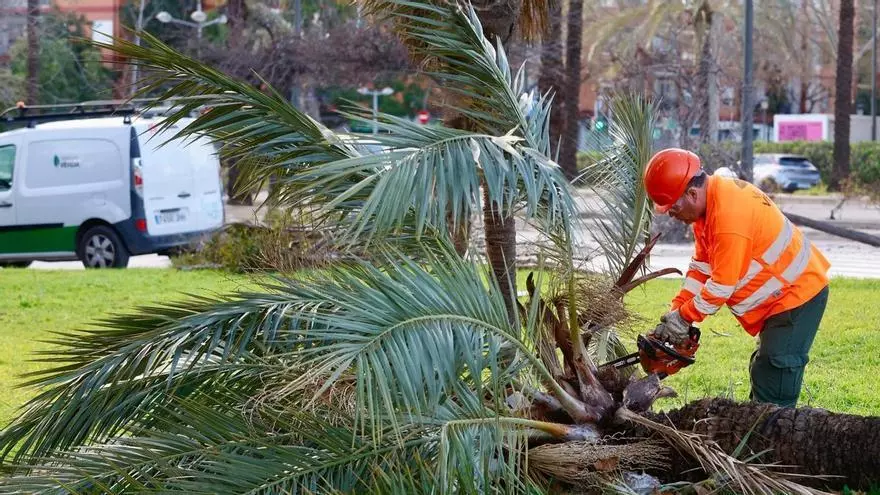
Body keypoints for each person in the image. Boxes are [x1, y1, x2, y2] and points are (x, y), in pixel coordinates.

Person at [644, 148, 831, 408]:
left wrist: (685, 318)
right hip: (781, 296)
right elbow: (701, 268)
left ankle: (774, 438)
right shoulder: (709, 207)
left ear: (692, 193)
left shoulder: (728, 218)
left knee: (775, 368)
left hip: (798, 294)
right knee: (764, 367)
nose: (672, 215)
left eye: (673, 207)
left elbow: (721, 286)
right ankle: (763, 430)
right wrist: (675, 312)